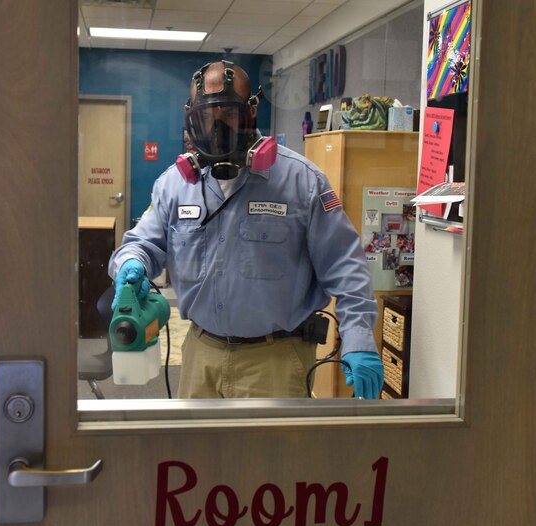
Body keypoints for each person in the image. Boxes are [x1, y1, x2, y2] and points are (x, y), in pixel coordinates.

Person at [108, 60, 384, 399]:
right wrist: (132, 262)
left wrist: (358, 337)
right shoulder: (174, 185)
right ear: (190, 119)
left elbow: (346, 266)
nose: (217, 128)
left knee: (271, 455)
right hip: (199, 353)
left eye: (229, 114)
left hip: (275, 360)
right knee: (197, 453)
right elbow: (142, 243)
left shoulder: (302, 182)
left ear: (251, 113)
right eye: (206, 117)